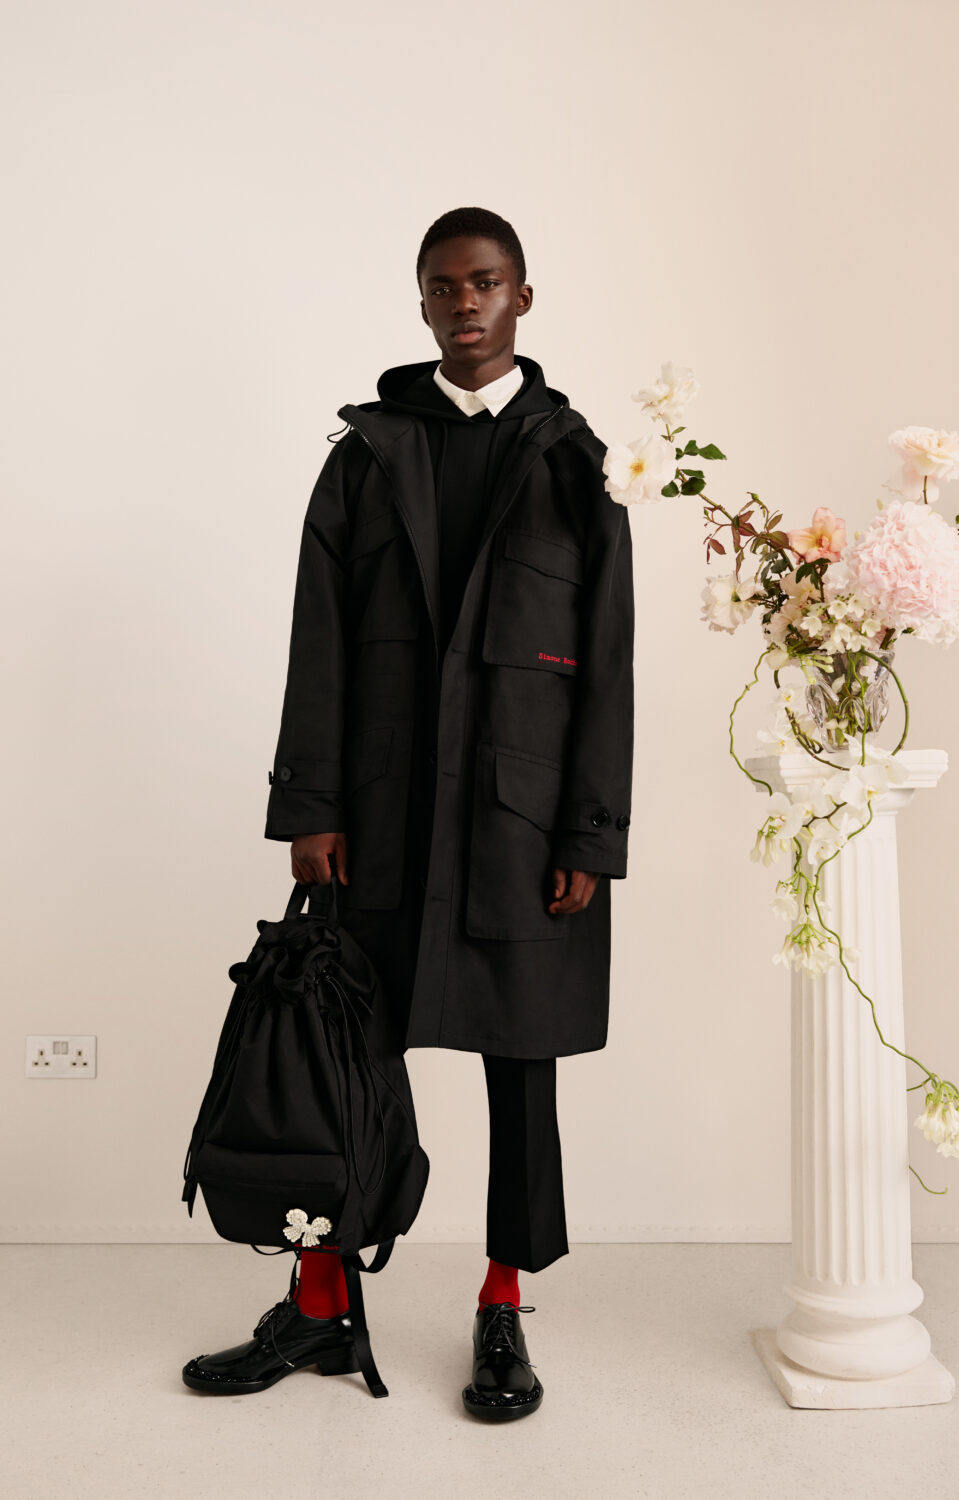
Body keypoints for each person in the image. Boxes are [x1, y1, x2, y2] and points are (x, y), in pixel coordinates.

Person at [182, 206, 635, 1420]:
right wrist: (310, 805)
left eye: (485, 282)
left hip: (520, 830)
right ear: (422, 301)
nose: (464, 302)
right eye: (443, 285)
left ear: (523, 296)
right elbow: (317, 643)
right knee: (335, 1059)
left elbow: (608, 662)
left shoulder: (579, 465)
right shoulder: (365, 456)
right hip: (375, 825)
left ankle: (502, 1305)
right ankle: (319, 1304)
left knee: (520, 1072)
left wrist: (589, 834)